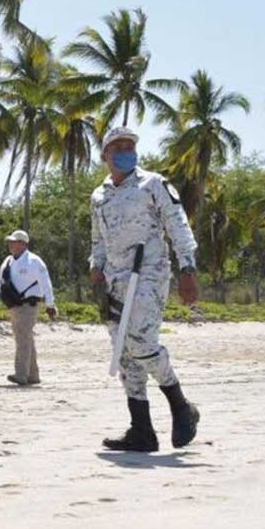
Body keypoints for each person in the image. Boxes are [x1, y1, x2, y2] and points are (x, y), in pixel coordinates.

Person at [89, 127, 200, 452]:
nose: (126, 151)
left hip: (148, 273)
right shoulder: (99, 195)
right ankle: (142, 430)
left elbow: (177, 223)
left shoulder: (153, 184)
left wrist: (188, 267)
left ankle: (181, 406)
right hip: (115, 279)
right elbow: (97, 238)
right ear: (106, 155)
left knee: (141, 342)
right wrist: (95, 266)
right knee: (124, 352)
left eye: (131, 146)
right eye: (118, 147)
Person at [0, 230, 57, 386]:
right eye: (10, 241)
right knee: (26, 338)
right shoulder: (8, 261)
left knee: (23, 338)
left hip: (29, 306)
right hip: (14, 306)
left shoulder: (34, 261)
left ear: (23, 244)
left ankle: (21, 374)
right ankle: (33, 375)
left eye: (14, 242)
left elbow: (46, 283)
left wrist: (50, 304)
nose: (11, 244)